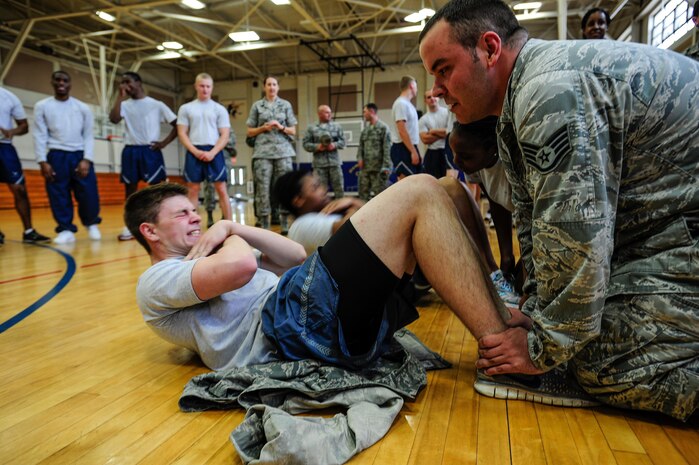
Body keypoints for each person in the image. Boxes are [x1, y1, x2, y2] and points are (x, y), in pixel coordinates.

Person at [419, 0, 699, 421]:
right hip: (667, 229)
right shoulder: (522, 96)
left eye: (444, 69)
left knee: (602, 362)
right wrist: (537, 312)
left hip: (680, 231)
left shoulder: (547, 91)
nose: (437, 90)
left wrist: (541, 349)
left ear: (491, 49)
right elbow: (539, 227)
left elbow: (579, 237)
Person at [128, 176, 519, 374]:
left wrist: (235, 230)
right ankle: (501, 345)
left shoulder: (212, 257)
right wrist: (228, 228)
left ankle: (500, 302)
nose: (196, 217)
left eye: (194, 211)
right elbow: (243, 266)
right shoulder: (157, 279)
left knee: (447, 187)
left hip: (306, 304)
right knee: (418, 190)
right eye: (181, 214)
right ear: (150, 232)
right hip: (289, 325)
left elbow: (295, 254)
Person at [274, 169, 519, 306]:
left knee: (451, 186)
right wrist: (352, 204)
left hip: (390, 271)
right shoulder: (302, 227)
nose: (324, 190)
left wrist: (353, 203)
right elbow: (356, 228)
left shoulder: (325, 213)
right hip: (380, 287)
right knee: (439, 189)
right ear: (298, 200)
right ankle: (488, 283)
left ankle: (493, 276)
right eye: (315, 187)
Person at [33, 70, 101, 244]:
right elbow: (39, 134)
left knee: (88, 193)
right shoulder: (42, 106)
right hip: (55, 155)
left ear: (70, 84)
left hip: (79, 154)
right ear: (52, 82)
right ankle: (65, 229)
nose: (61, 83)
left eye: (65, 80)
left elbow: (88, 135)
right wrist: (42, 161)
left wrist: (87, 159)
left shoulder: (82, 107)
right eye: (57, 80)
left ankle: (91, 223)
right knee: (58, 194)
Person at [109, 71, 178, 241]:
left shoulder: (156, 104)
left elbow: (177, 124)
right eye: (122, 82)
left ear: (139, 83)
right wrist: (119, 97)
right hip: (131, 150)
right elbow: (114, 119)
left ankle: (161, 225)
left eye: (128, 82)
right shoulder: (124, 105)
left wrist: (164, 143)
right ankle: (130, 226)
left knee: (157, 189)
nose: (125, 85)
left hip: (150, 150)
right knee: (130, 191)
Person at [449, 118, 517, 281]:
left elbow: (533, 227)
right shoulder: (475, 162)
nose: (456, 161)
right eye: (454, 153)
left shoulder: (514, 165)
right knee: (449, 186)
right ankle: (492, 273)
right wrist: (507, 257)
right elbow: (496, 202)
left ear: (492, 150)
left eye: (464, 156)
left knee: (528, 285)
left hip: (546, 229)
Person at [177, 73, 232, 223]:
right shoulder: (186, 108)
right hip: (194, 151)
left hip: (215, 151)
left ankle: (230, 226)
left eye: (208, 86)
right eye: (202, 86)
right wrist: (195, 151)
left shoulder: (219, 109)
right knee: (193, 190)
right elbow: (182, 133)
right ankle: (193, 225)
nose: (205, 89)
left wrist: (213, 152)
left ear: (212, 88)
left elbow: (224, 135)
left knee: (221, 189)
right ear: (196, 86)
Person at [0, 87, 50, 245]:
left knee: (19, 189)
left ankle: (29, 232)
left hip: (4, 147)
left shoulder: (9, 97)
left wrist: (11, 131)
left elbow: (24, 126)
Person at [246, 76, 297, 231]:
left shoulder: (286, 105)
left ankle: (284, 223)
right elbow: (249, 131)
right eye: (269, 84)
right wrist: (263, 128)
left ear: (278, 87)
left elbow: (293, 131)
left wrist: (280, 127)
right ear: (264, 87)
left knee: (283, 187)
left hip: (283, 153)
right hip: (263, 153)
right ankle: (265, 223)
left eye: (274, 84)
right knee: (262, 189)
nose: (271, 87)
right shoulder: (257, 106)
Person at [303, 105, 346, 198]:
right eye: (327, 112)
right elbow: (305, 144)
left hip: (335, 163)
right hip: (319, 165)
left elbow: (343, 142)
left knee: (339, 188)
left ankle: (342, 210)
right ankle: (322, 211)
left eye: (330, 112)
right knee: (320, 190)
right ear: (319, 114)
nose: (330, 114)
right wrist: (317, 147)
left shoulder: (337, 126)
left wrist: (334, 145)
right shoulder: (311, 128)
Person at [356, 103, 392, 201]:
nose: (363, 114)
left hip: (379, 169)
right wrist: (359, 158)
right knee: (363, 195)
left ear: (371, 112)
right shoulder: (365, 130)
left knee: (381, 197)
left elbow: (387, 148)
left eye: (365, 111)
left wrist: (386, 166)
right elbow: (361, 147)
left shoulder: (383, 128)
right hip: (365, 169)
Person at [203, 129, 237, 227]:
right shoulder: (208, 127)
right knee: (209, 187)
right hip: (210, 159)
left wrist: (219, 141)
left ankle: (224, 215)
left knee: (225, 189)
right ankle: (210, 215)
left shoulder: (227, 128)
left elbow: (231, 142)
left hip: (225, 159)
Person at [390, 76, 421, 180]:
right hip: (402, 148)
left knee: (414, 185)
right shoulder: (401, 104)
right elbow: (402, 130)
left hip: (409, 147)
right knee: (405, 186)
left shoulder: (408, 105)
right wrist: (413, 151)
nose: (417, 89)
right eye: (416, 86)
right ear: (412, 85)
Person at [418, 90, 450, 178]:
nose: (432, 98)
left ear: (438, 98)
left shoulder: (448, 113)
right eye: (429, 97)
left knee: (448, 182)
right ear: (425, 101)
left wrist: (432, 131)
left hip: (446, 151)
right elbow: (425, 139)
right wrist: (444, 134)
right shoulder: (423, 119)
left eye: (433, 96)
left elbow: (451, 132)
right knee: (433, 182)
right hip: (432, 155)